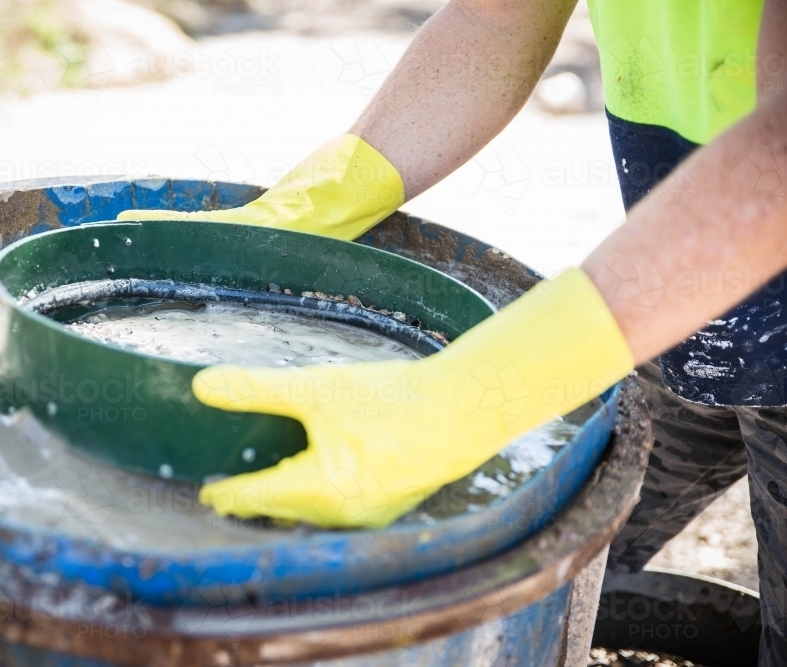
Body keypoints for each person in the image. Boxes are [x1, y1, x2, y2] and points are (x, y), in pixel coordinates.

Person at [119, 0, 787, 661]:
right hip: (683, 281)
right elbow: (495, 19)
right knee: (524, 566)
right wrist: (316, 202)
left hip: (739, 237)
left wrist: (463, 401)